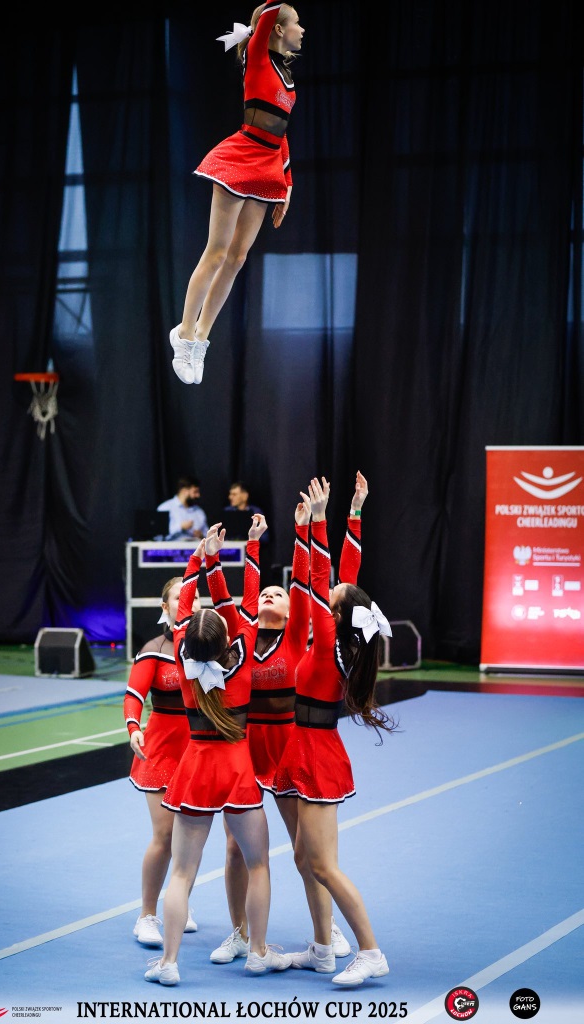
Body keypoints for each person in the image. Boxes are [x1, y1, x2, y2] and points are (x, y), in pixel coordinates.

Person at [204, 473, 370, 966]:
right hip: (247, 750)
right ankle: (240, 933)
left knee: (306, 854)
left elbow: (321, 583)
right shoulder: (243, 634)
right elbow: (231, 598)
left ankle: (326, 929)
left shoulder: (299, 636)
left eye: (279, 594)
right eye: (266, 595)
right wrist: (236, 551)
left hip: (291, 750)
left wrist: (314, 528)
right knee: (235, 850)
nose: (270, 596)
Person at [143, 515, 293, 986]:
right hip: (237, 771)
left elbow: (185, 608)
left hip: (195, 770)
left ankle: (169, 963)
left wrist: (198, 557)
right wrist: (250, 547)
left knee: (182, 873)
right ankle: (258, 952)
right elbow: (244, 602)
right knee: (258, 863)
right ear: (228, 638)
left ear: (186, 639)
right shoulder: (243, 656)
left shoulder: (183, 659)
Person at [275, 477, 398, 988]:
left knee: (323, 865)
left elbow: (328, 572)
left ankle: (371, 952)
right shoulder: (338, 636)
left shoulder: (329, 643)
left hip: (317, 754)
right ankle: (323, 949)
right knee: (303, 858)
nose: (327, 593)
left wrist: (319, 521)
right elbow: (347, 575)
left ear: (338, 614)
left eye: (332, 598)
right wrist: (355, 512)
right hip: (303, 746)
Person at [169, 2, 305, 385]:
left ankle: (201, 337)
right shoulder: (258, 56)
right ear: (277, 29)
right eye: (297, 23)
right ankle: (183, 334)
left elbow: (280, 134)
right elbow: (267, 13)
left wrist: (287, 183)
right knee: (216, 252)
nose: (303, 30)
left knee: (237, 257)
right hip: (241, 156)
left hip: (267, 165)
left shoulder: (285, 76)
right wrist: (267, 16)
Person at [124, 577, 202, 948]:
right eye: (180, 596)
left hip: (200, 749)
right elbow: (133, 695)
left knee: (191, 838)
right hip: (161, 749)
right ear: (165, 607)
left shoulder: (212, 648)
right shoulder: (154, 649)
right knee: (166, 834)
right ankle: (147, 915)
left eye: (195, 596)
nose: (189, 602)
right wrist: (133, 727)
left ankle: (178, 902)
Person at [157, 476, 208, 540]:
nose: (198, 495)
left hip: (196, 545)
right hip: (173, 546)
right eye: (195, 492)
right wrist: (180, 527)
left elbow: (207, 535)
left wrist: (201, 535)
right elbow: (158, 536)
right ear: (184, 491)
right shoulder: (165, 508)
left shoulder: (199, 511)